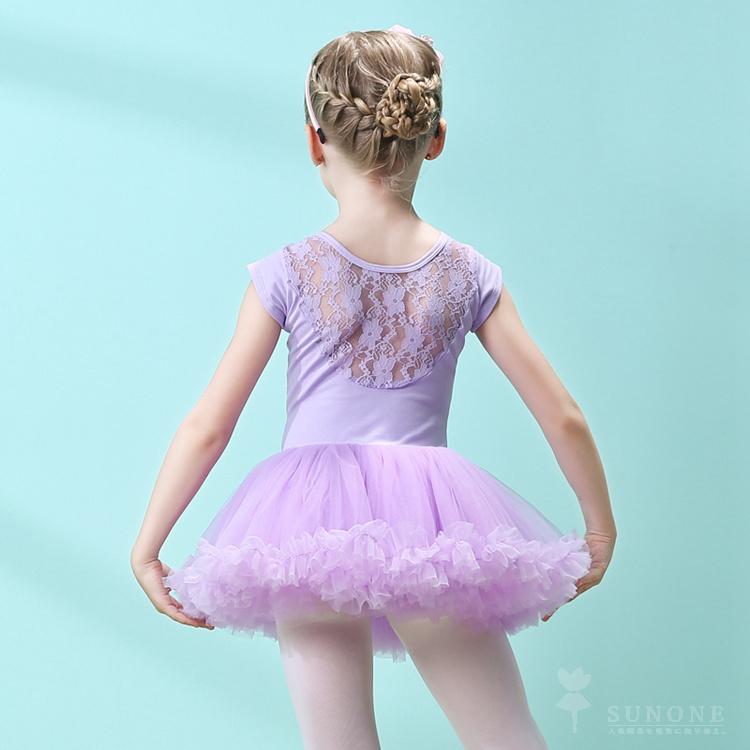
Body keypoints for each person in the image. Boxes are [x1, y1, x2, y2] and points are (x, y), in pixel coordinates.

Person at [130, 25, 616, 750]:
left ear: (314, 141)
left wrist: (149, 546)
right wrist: (598, 528)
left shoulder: (286, 272)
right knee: (506, 735)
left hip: (306, 525)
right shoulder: (471, 273)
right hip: (434, 525)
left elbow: (209, 426)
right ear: (435, 138)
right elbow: (564, 417)